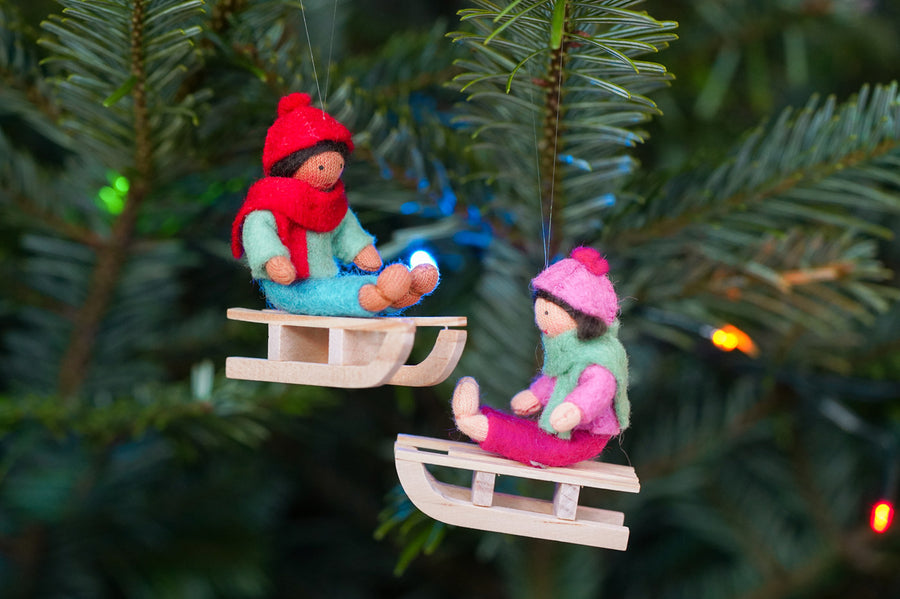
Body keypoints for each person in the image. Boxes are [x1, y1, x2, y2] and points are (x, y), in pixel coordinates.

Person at [232, 93, 438, 316]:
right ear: (290, 163)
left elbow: (344, 229)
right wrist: (273, 259)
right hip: (287, 287)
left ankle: (404, 291)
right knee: (333, 295)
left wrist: (360, 249)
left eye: (339, 165)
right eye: (321, 167)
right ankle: (375, 297)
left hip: (324, 277)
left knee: (342, 287)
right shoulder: (270, 202)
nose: (331, 174)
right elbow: (257, 232)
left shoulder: (331, 203)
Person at [452, 247, 629, 467]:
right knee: (532, 433)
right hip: (560, 427)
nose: (541, 321)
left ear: (583, 318)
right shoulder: (566, 349)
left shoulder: (599, 359)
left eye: (547, 313)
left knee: (544, 449)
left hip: (585, 434)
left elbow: (600, 389)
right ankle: (479, 416)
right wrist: (536, 395)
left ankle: (483, 428)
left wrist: (576, 409)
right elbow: (556, 379)